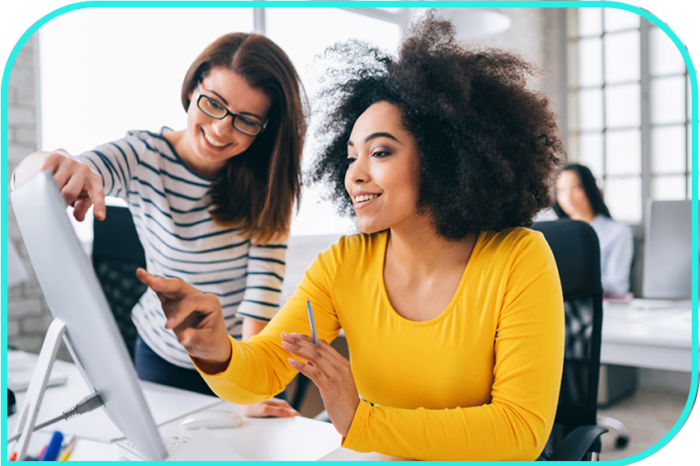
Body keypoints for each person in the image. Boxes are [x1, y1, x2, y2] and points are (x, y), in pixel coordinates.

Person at [136, 13, 566, 461]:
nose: (354, 175)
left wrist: (363, 421)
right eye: (350, 156)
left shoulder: (519, 258)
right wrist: (216, 349)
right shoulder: (345, 263)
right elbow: (264, 368)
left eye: (380, 152)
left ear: (443, 158)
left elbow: (519, 432)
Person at [12, 33, 306, 418]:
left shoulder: (269, 184)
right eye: (214, 103)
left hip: (231, 358)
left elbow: (261, 295)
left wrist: (247, 385)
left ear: (265, 128)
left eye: (246, 121)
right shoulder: (145, 155)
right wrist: (55, 164)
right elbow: (49, 173)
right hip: (160, 353)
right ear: (193, 87)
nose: (220, 129)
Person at [553, 163, 634, 297]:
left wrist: (578, 277)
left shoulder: (618, 232)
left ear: (589, 188)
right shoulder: (555, 232)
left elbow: (619, 287)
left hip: (603, 307)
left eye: (575, 187)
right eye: (561, 190)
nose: (568, 196)